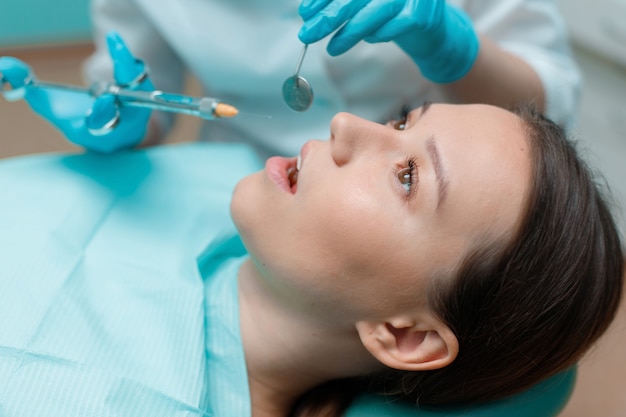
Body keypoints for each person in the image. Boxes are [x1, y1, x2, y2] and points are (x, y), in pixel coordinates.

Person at [0, 102, 622, 417]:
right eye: (403, 119)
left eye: (407, 176)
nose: (348, 124)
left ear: (404, 336)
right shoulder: (231, 183)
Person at [1, 0, 580, 157]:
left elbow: (545, 114)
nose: (345, 135)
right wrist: (125, 120)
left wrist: (457, 52)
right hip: (236, 164)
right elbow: (142, 91)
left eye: (410, 177)